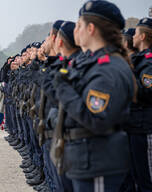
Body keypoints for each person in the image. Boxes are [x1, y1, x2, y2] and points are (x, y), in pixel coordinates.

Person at [53, 1, 135, 190]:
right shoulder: (97, 64)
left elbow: (96, 119)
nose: (76, 31)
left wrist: (64, 88)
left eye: (79, 25)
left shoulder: (107, 69)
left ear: (90, 29)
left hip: (98, 162)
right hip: (87, 160)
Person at [126, 17, 152, 191]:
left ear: (142, 37)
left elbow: (148, 92)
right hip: (134, 126)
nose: (132, 37)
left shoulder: (149, 61)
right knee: (138, 179)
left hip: (145, 128)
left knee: (147, 180)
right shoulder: (138, 60)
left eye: (135, 33)